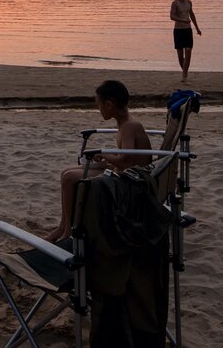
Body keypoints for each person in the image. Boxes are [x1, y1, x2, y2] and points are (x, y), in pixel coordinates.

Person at [46, 80, 151, 243]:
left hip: (130, 182)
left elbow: (125, 160)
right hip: (124, 173)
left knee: (69, 178)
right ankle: (63, 225)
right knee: (66, 173)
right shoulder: (125, 123)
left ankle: (67, 231)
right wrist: (105, 158)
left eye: (99, 105)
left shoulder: (130, 126)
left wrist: (103, 153)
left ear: (108, 104)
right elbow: (126, 159)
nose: (99, 109)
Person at [169, 0, 201, 79]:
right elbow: (172, 16)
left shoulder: (189, 2)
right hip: (178, 31)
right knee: (180, 55)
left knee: (188, 51)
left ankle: (184, 73)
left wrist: (197, 28)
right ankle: (185, 71)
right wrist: (183, 20)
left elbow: (192, 15)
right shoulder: (175, 3)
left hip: (188, 30)